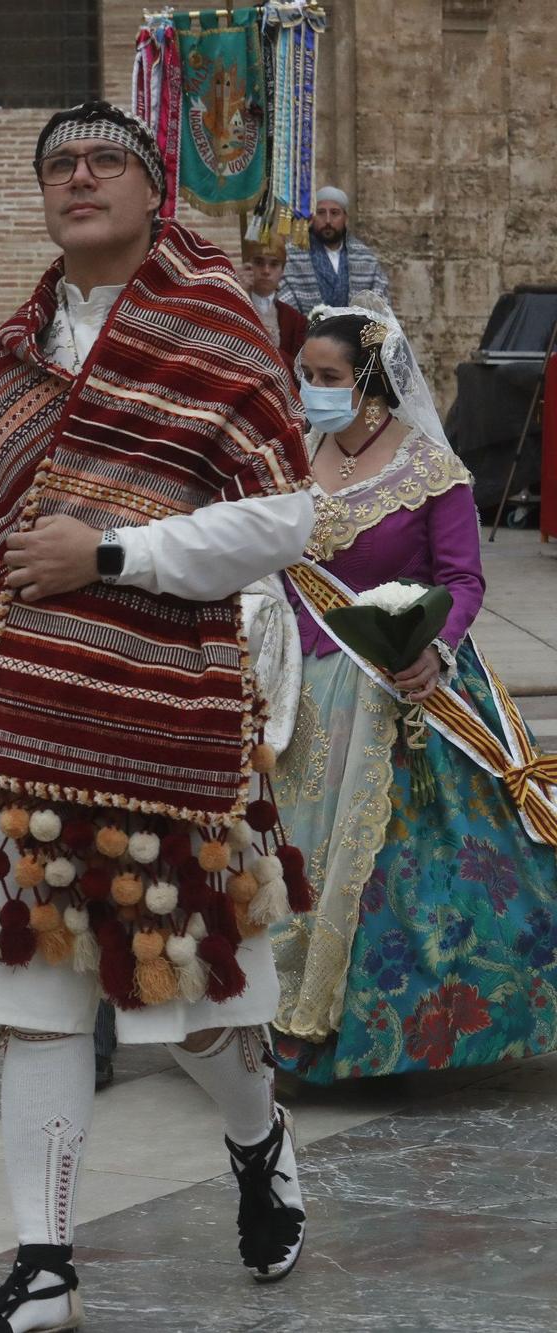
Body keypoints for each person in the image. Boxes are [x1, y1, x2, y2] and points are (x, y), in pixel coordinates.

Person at [0, 102, 321, 1331]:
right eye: (56, 167)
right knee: (35, 1001)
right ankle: (43, 1268)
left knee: (188, 1008)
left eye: (102, 162)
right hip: (19, 728)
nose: (76, 180)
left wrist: (113, 552)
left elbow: (286, 516)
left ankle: (255, 1136)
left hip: (161, 727)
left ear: (151, 191)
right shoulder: (16, 352)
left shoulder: (213, 325)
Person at [271, 299, 557, 1083]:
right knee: (290, 860)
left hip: (399, 691)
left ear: (370, 383)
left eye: (327, 377)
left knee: (393, 875)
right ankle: (271, 1012)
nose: (312, 390)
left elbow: (463, 580)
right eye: (306, 376)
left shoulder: (430, 471)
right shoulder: (293, 456)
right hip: (299, 695)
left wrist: (430, 648)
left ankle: (364, 1027)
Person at [279, 186, 391, 313]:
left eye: (334, 213)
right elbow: (284, 304)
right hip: (306, 330)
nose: (327, 220)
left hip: (354, 331)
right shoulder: (292, 256)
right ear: (312, 217)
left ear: (345, 218)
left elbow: (380, 304)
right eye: (321, 213)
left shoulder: (366, 259)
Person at [240, 229, 307, 370]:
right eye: (259, 262)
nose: (266, 270)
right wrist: (240, 295)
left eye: (274, 264)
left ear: (282, 270)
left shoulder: (296, 320)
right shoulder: (235, 310)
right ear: (247, 266)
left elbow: (301, 370)